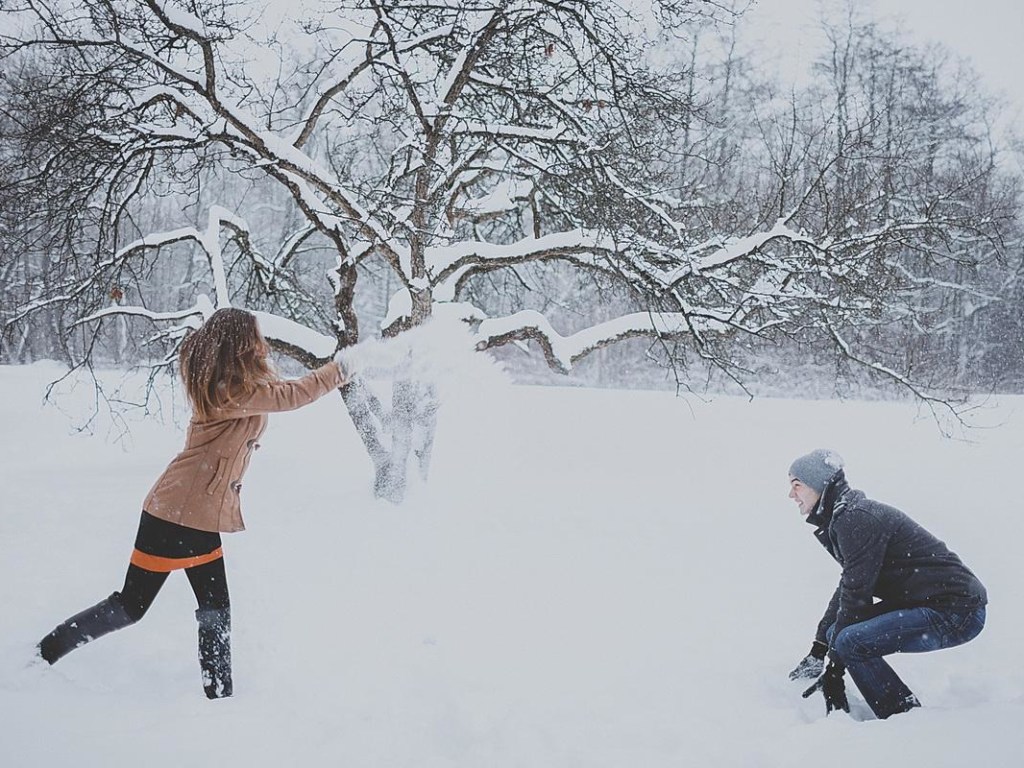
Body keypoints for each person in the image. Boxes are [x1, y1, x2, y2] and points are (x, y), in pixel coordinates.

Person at [37, 308, 349, 699]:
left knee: (204, 605)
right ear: (239, 343)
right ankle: (46, 653)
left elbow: (276, 390)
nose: (262, 343)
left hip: (191, 515)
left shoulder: (234, 384)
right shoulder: (226, 390)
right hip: (175, 516)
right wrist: (340, 369)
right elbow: (290, 396)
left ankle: (218, 693)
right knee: (137, 605)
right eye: (255, 336)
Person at [786, 449, 987, 720]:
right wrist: (820, 647)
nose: (791, 495)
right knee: (839, 634)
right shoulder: (845, 517)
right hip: (930, 601)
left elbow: (857, 594)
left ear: (819, 486)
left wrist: (835, 667)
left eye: (797, 486)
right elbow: (850, 584)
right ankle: (897, 707)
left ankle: (904, 718)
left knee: (850, 641)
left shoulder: (855, 518)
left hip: (957, 611)